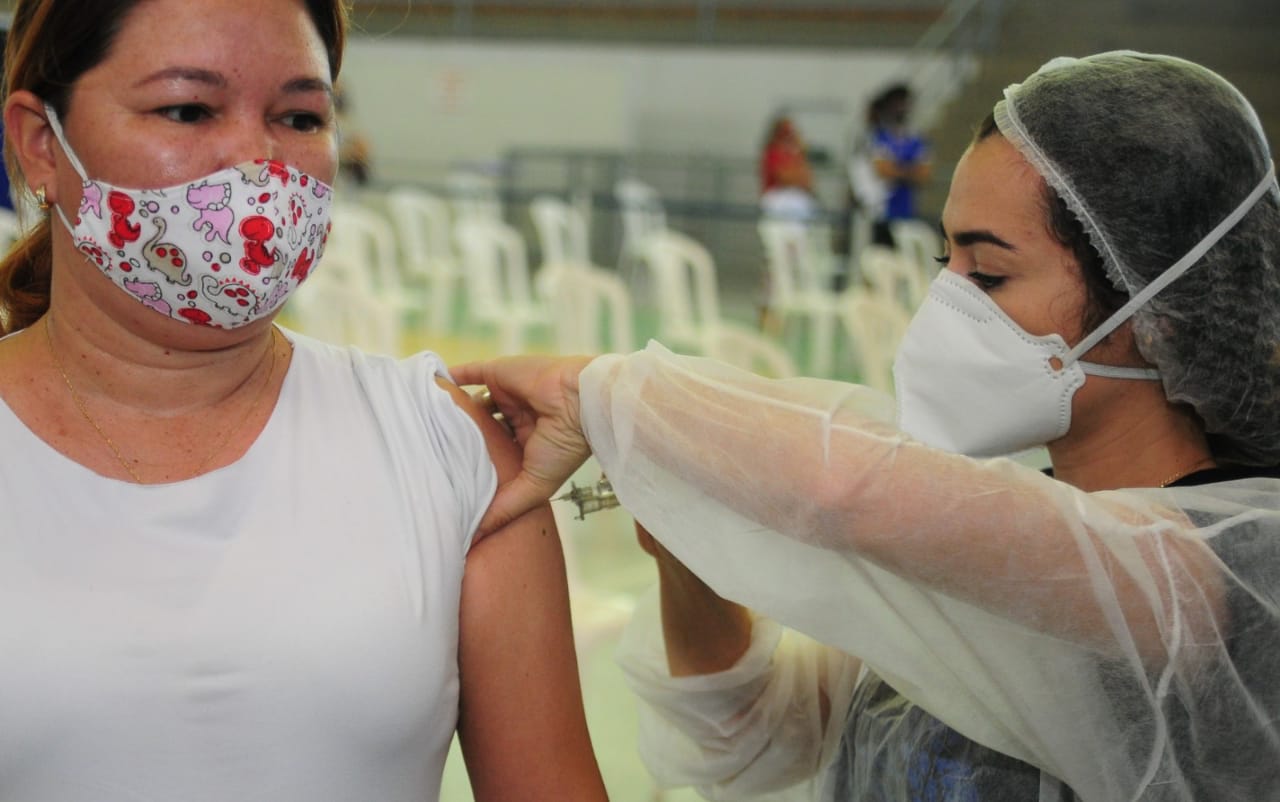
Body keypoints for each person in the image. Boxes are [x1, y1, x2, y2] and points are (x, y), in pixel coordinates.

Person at [456, 51, 1280, 801]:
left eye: (988, 274)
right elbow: (749, 736)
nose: (944, 306)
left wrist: (606, 392)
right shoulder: (996, 527)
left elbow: (843, 487)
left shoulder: (1217, 576)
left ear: (1157, 310)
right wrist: (682, 550)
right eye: (943, 263)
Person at [0, 1, 608, 800]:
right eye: (187, 108)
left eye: (298, 116)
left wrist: (645, 420)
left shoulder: (441, 445)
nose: (257, 162)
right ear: (42, 144)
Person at [862, 83, 931, 248]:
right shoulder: (878, 137)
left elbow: (924, 174)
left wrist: (896, 169)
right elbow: (882, 170)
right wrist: (909, 170)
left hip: (906, 210)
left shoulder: (917, 139)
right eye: (898, 103)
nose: (902, 108)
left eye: (905, 103)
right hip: (880, 211)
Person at [759, 114, 820, 221]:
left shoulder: (794, 153)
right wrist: (798, 177)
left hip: (796, 197)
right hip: (778, 198)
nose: (791, 135)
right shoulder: (773, 152)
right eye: (787, 131)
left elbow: (807, 179)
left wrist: (800, 151)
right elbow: (784, 177)